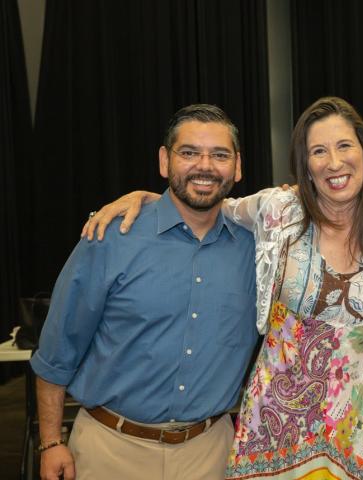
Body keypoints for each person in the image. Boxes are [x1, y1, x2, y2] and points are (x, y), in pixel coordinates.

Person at [85, 97, 363, 479]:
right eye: (318, 151)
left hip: (362, 425)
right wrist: (148, 198)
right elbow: (203, 202)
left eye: (344, 146)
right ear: (304, 165)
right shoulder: (277, 209)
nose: (334, 162)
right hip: (277, 428)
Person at [30, 104, 259, 480]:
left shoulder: (257, 248)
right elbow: (58, 349)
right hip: (109, 450)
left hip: (211, 454)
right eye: (189, 153)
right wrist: (51, 442)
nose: (204, 166)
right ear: (164, 161)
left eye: (219, 155)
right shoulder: (111, 237)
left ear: (237, 166)